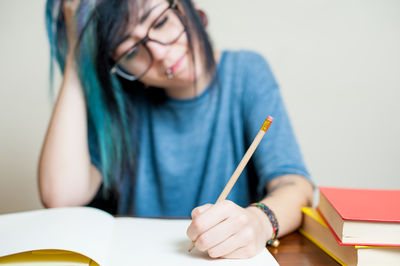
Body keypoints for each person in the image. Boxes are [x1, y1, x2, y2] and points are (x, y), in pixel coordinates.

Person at [39, 0, 314, 259]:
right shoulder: (123, 103)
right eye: (131, 52)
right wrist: (79, 54)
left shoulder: (246, 73)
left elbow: (295, 185)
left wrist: (259, 221)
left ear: (187, 6)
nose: (158, 53)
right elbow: (61, 196)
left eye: (159, 23)